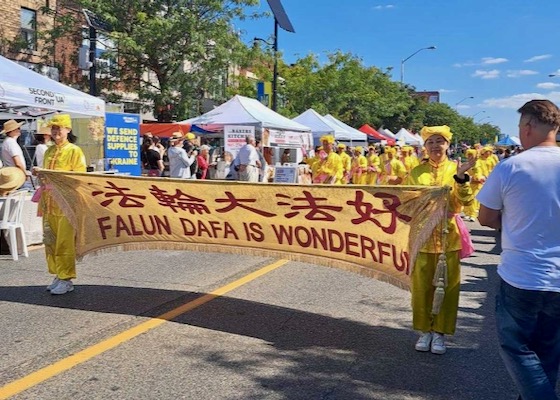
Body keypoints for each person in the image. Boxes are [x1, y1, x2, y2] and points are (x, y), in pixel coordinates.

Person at [477, 99, 560, 400]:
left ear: (527, 128)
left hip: (522, 276)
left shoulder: (510, 166)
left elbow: (485, 218)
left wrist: (511, 218)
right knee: (549, 351)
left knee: (516, 347)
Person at [405, 125, 475, 355]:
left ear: (448, 144)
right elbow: (407, 201)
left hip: (448, 238)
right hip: (422, 238)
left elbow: (463, 201)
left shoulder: (456, 168)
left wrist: (462, 178)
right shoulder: (416, 172)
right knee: (422, 288)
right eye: (431, 142)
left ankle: (440, 334)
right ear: (425, 146)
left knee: (448, 288)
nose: (436, 146)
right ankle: (424, 331)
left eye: (440, 141)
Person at [36, 114, 87, 295]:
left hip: (65, 204)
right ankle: (58, 274)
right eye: (54, 128)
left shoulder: (74, 151)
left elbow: (79, 178)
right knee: (50, 241)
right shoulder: (49, 151)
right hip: (48, 203)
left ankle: (67, 279)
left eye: (60, 128)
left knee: (65, 242)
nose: (56, 132)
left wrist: (57, 179)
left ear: (68, 130)